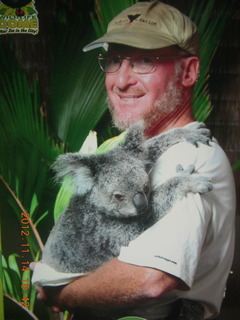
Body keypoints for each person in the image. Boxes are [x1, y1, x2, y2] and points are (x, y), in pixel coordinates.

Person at [34, 1, 236, 319]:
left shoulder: (188, 156)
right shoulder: (127, 148)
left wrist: (62, 292)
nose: (121, 80)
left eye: (144, 60)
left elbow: (150, 280)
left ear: (189, 71)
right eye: (114, 60)